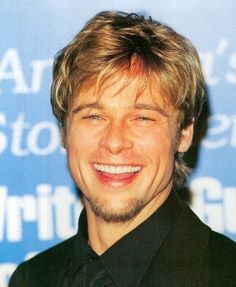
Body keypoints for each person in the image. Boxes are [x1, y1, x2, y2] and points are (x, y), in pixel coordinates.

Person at [9, 11, 236, 287]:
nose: (115, 142)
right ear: (64, 132)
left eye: (142, 118)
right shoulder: (33, 278)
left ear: (184, 133)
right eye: (94, 116)